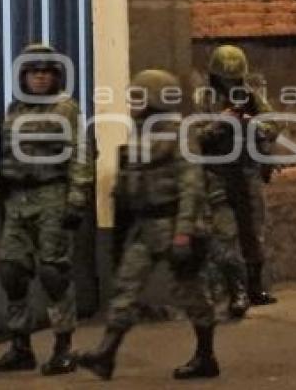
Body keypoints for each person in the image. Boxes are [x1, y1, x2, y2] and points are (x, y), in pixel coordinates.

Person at [77, 70, 219, 381]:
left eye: (139, 97)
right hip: (145, 227)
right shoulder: (140, 133)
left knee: (190, 292)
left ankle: (206, 355)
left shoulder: (180, 133)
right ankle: (106, 353)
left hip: (174, 224)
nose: (133, 103)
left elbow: (191, 185)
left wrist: (184, 232)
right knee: (125, 289)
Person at [0, 43, 94, 376]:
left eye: (46, 72)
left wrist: (76, 199)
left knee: (53, 273)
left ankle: (63, 348)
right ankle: (21, 347)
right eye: (34, 72)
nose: (40, 78)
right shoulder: (15, 110)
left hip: (52, 195)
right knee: (12, 272)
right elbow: (6, 153)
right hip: (17, 200)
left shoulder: (66, 109)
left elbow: (81, 153)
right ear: (24, 76)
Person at [197, 45, 279, 309]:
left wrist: (253, 125)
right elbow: (194, 136)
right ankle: (237, 292)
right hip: (218, 174)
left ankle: (256, 288)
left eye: (235, 78)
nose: (232, 83)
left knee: (254, 232)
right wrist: (219, 123)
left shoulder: (250, 97)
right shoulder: (205, 99)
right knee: (225, 233)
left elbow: (274, 124)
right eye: (227, 79)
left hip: (247, 171)